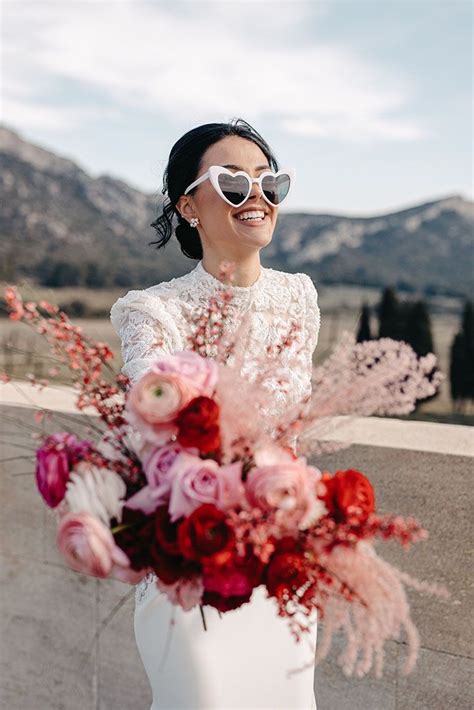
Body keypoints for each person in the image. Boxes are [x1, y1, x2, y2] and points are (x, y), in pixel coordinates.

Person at [110, 118, 321, 710]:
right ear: (189, 206)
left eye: (268, 182)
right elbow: (157, 418)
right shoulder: (151, 313)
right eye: (232, 183)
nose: (256, 196)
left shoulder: (300, 298)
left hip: (282, 573)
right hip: (191, 576)